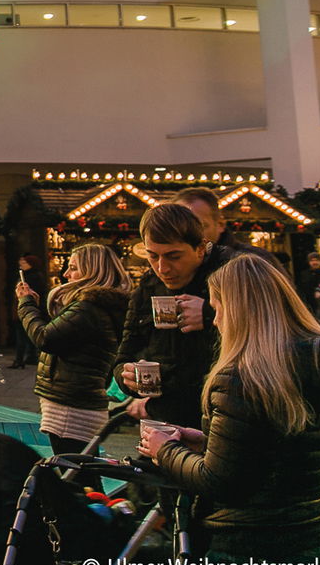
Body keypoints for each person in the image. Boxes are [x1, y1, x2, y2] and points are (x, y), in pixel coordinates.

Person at [140, 253, 320, 565]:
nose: (215, 321)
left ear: (237, 312)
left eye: (217, 309)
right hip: (312, 547)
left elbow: (220, 483)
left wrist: (165, 450)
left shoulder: (240, 379)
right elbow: (277, 449)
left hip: (244, 556)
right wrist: (209, 442)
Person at [115, 203, 232, 428]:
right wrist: (127, 378)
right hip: (164, 421)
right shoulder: (147, 289)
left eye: (174, 256)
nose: (163, 268)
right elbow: (125, 354)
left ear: (200, 248)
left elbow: (268, 336)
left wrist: (211, 315)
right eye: (152, 256)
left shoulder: (230, 276)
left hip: (220, 420)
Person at [15, 244, 131, 459]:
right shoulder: (94, 306)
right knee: (79, 470)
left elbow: (45, 338)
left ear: (92, 271)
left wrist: (25, 304)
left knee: (75, 473)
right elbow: (62, 337)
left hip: (71, 405)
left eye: (74, 268)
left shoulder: (88, 308)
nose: (66, 274)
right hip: (76, 400)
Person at [174, 186, 288, 278]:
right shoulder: (164, 264)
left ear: (220, 225)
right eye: (177, 227)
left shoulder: (254, 262)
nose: (187, 234)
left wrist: (205, 307)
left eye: (198, 226)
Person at [9, 254, 48, 368]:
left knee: (24, 335)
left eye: (25, 263)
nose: (21, 265)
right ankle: (28, 357)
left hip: (29, 309)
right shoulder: (25, 276)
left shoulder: (33, 277)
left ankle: (21, 359)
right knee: (24, 334)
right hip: (24, 308)